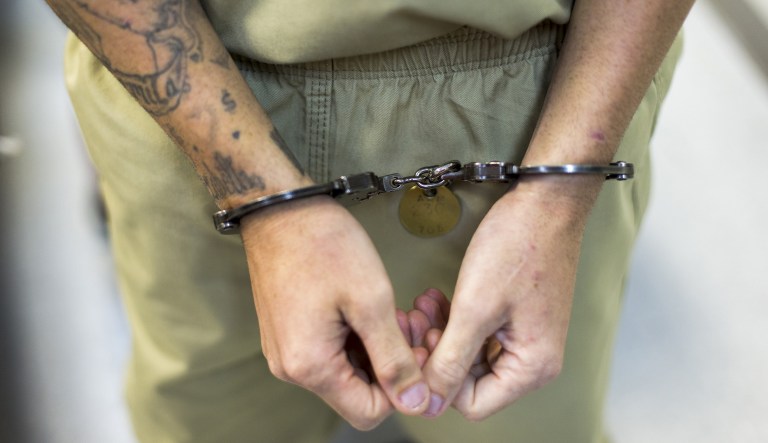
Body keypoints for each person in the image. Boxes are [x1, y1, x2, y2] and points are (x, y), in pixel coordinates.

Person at [46, 0, 694, 441]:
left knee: (525, 418)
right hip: (198, 110)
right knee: (216, 421)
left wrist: (557, 200)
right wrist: (265, 202)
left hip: (554, 104)